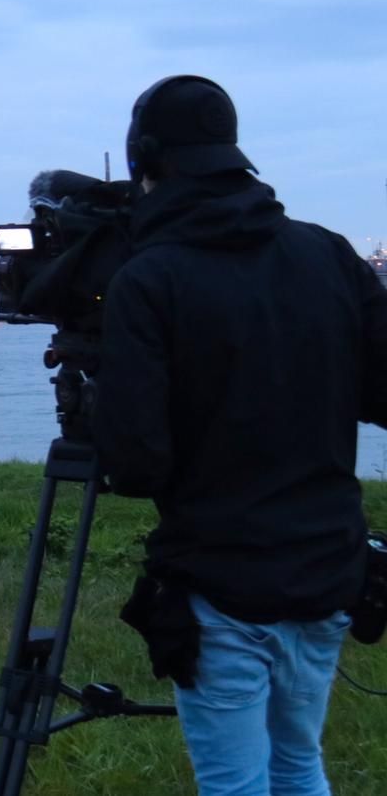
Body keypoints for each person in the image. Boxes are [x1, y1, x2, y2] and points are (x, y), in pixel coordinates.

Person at [93, 74, 387, 796]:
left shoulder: (150, 278)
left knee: (234, 782)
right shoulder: (332, 255)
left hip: (220, 582)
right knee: (297, 761)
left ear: (145, 161)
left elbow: (134, 465)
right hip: (329, 568)